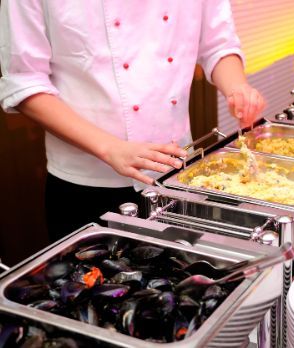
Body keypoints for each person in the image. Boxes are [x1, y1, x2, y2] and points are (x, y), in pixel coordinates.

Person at [0, 1, 265, 242]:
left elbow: (217, 44)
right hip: (87, 185)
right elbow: (25, 82)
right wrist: (110, 147)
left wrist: (237, 88)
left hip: (177, 175)